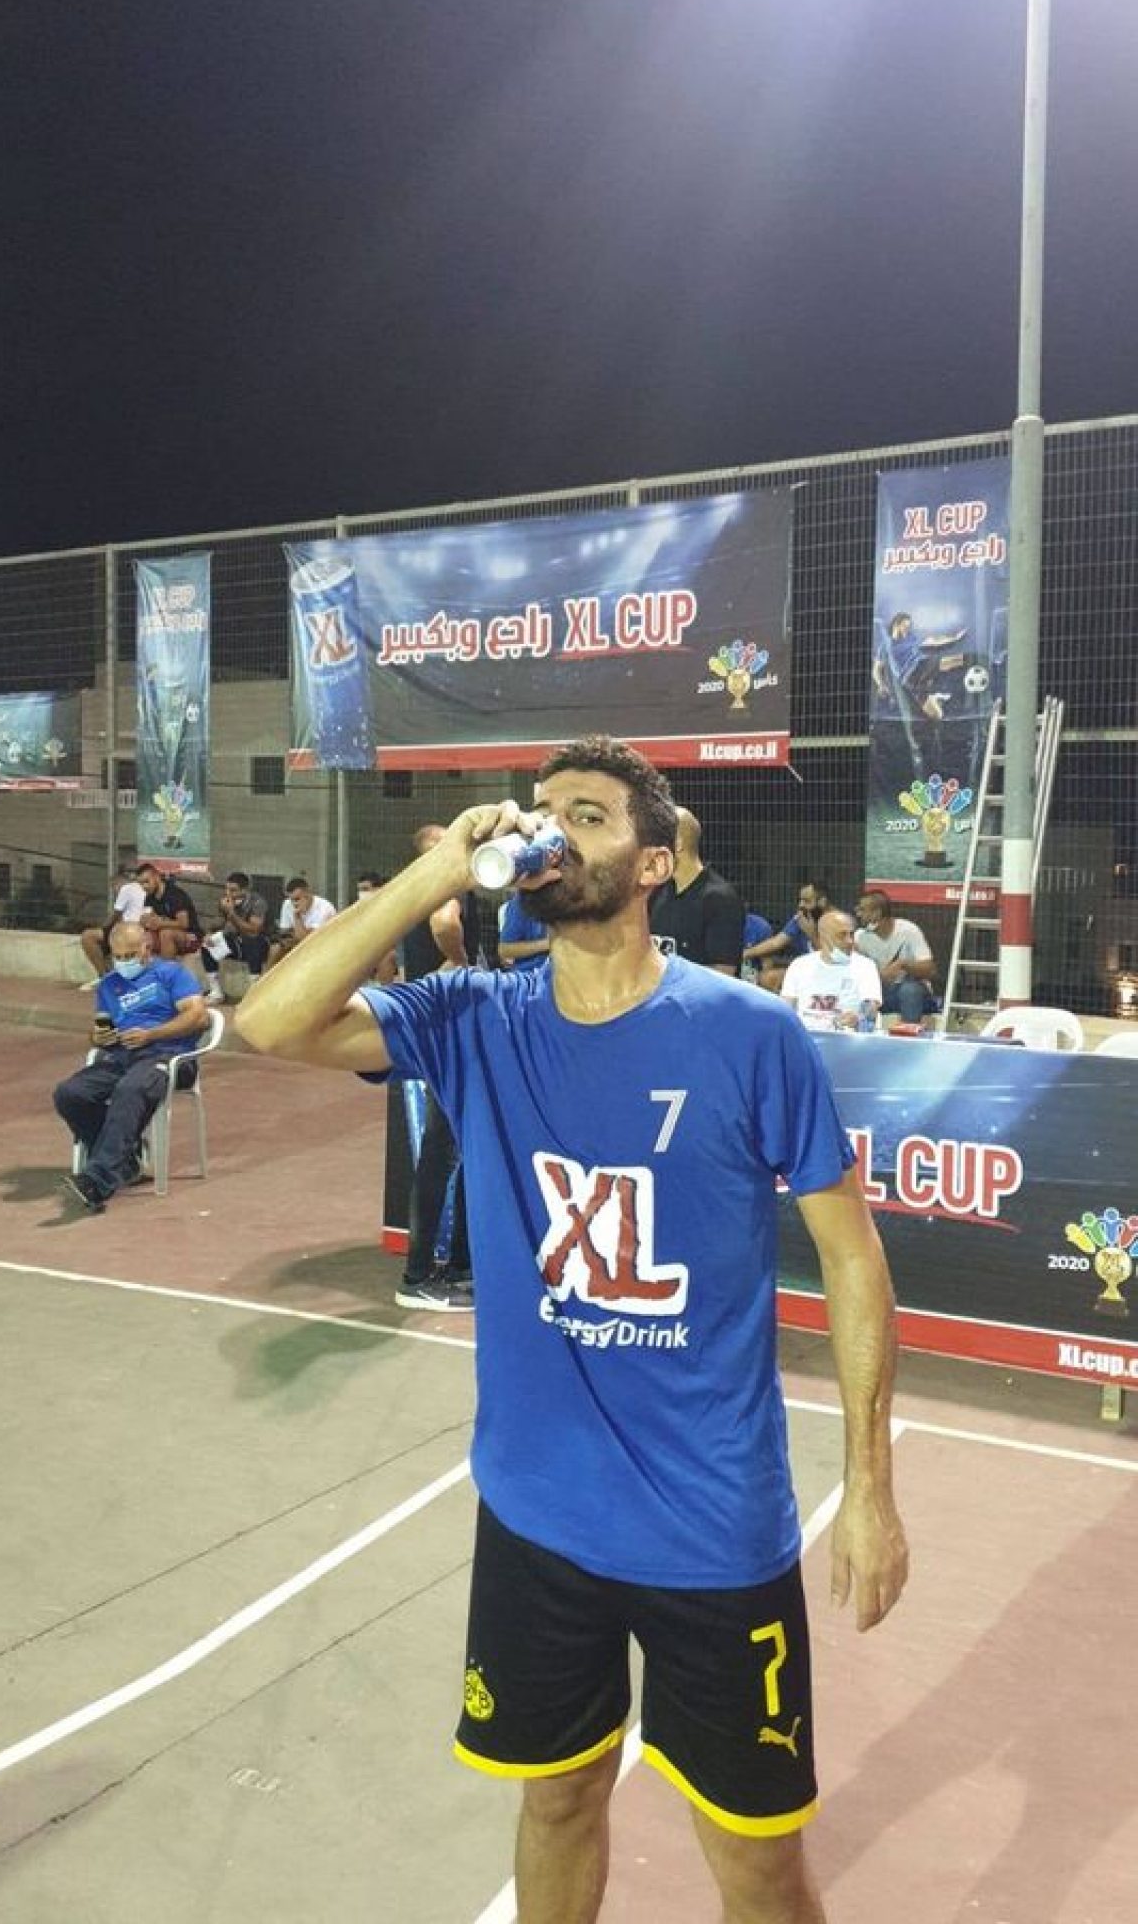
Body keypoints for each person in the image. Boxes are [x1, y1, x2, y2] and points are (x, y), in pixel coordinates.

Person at [235, 733, 908, 1924]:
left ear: (652, 864)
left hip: (711, 1528)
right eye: (539, 809)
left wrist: (869, 1486)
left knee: (754, 1857)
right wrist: (440, 869)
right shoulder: (475, 1015)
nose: (546, 829)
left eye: (585, 814)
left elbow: (854, 1259)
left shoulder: (748, 1034)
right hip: (537, 1515)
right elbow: (270, 1022)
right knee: (553, 1799)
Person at [55, 920, 209, 1213]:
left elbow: (198, 1017)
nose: (124, 962)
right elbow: (101, 1028)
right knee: (69, 1093)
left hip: (169, 1056)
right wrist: (98, 1037)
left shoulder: (171, 974)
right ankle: (125, 1160)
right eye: (118, 956)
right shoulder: (109, 985)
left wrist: (152, 1034)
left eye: (130, 955)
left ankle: (97, 1181)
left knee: (130, 1089)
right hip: (122, 1057)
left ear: (146, 949)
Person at [390, 824, 479, 1310]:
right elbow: (446, 925)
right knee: (442, 1154)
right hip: (451, 1035)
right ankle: (418, 1275)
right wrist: (464, 966)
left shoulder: (414, 893)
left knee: (460, 1150)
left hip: (441, 1030)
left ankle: (462, 1262)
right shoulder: (446, 890)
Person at [647, 806, 744, 973]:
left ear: (677, 844)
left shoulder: (719, 899)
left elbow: (723, 972)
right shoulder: (658, 893)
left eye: (657, 841)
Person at [781, 911, 882, 1032]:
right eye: (842, 935)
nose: (850, 941)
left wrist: (859, 1018)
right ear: (823, 938)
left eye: (851, 934)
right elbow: (787, 1009)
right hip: (805, 1035)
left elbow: (871, 1007)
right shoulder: (800, 965)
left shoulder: (865, 966)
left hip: (845, 1036)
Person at [854, 890, 938, 1024]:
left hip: (915, 994)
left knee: (909, 990)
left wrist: (903, 964)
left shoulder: (908, 930)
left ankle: (908, 1034)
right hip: (882, 993)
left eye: (862, 910)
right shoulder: (860, 937)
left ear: (877, 913)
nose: (858, 914)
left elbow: (930, 969)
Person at [874, 612, 968, 723]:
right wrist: (881, 684)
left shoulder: (911, 638)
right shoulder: (885, 645)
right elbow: (876, 669)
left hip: (920, 666)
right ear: (896, 625)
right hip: (910, 680)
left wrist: (955, 638)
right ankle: (936, 697)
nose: (907, 630)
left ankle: (966, 661)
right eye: (905, 627)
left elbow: (933, 641)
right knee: (937, 715)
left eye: (909, 627)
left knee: (956, 660)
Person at [746, 882, 830, 993]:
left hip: (827, 973)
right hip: (804, 970)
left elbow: (830, 959)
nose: (801, 905)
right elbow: (775, 943)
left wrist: (811, 934)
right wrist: (746, 953)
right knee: (767, 978)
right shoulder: (801, 919)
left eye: (806, 901)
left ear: (822, 902)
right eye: (800, 900)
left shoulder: (835, 922)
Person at [200, 870, 269, 1003]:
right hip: (235, 941)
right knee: (206, 946)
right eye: (227, 889)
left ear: (245, 890)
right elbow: (218, 922)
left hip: (260, 944)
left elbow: (254, 930)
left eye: (233, 890)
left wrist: (231, 913)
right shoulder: (226, 901)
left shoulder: (257, 902)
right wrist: (209, 933)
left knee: (251, 940)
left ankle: (255, 992)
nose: (229, 893)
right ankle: (216, 992)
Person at [78, 861, 147, 986]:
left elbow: (115, 915)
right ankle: (110, 976)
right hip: (137, 929)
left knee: (88, 936)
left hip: (131, 931)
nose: (114, 890)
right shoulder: (144, 887)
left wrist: (103, 927)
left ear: (120, 880)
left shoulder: (127, 888)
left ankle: (104, 977)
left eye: (114, 885)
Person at [136, 861, 203, 961]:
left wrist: (160, 923)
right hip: (165, 933)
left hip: (190, 935)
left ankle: (166, 969)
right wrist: (145, 921)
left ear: (157, 877)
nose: (144, 887)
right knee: (144, 935)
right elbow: (149, 918)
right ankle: (148, 968)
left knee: (166, 933)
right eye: (141, 884)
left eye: (146, 882)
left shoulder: (175, 894)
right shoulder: (149, 897)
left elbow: (184, 923)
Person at [266, 876, 338, 965]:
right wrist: (298, 934)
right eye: (291, 899)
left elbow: (307, 940)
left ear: (308, 894)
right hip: (297, 943)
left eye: (297, 899)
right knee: (275, 949)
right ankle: (265, 974)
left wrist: (297, 916)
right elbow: (285, 932)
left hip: (322, 946)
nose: (294, 903)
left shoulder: (325, 908)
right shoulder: (287, 904)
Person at [355, 873, 398, 984]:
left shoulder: (390, 908)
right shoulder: (358, 910)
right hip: (366, 950)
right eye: (360, 890)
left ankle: (386, 990)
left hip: (386, 950)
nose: (362, 893)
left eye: (365, 889)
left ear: (378, 889)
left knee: (386, 956)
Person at [497, 887, 551, 971]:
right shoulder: (522, 903)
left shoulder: (570, 901)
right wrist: (548, 944)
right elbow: (505, 950)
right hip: (531, 972)